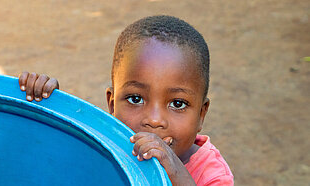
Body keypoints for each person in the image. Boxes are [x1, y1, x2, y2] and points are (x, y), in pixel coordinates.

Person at [18, 15, 233, 185]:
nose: (155, 120)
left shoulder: (212, 174)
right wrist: (45, 106)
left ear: (201, 114)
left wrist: (174, 171)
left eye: (177, 104)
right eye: (136, 98)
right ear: (111, 103)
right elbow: (51, 162)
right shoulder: (106, 146)